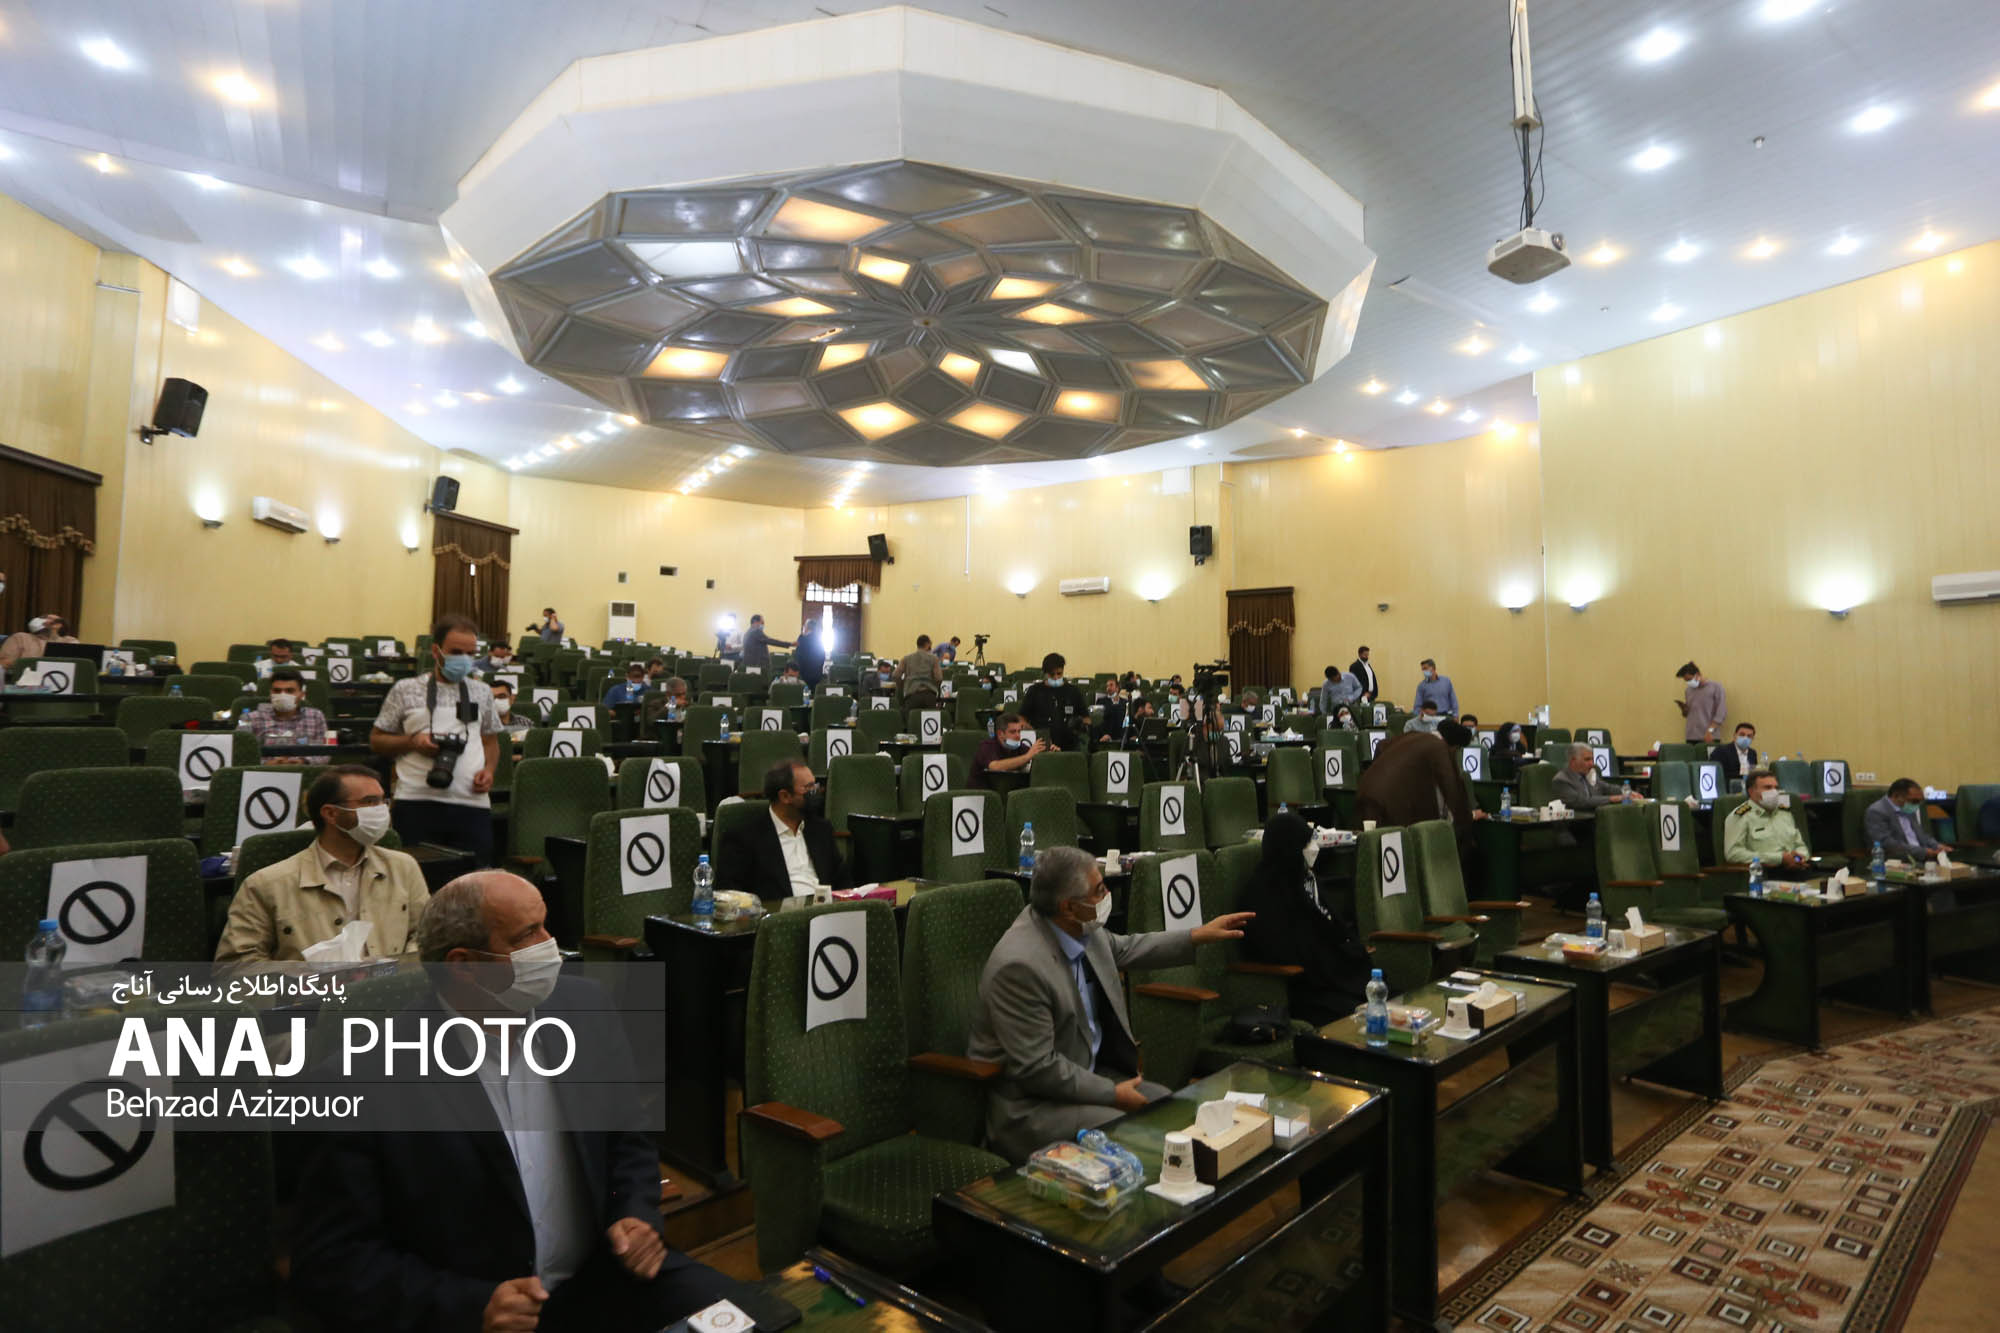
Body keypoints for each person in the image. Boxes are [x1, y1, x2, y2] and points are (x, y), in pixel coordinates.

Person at [290, 872, 741, 1332]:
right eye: (528, 936)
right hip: (483, 1311)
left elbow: (627, 1137)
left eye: (546, 925)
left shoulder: (585, 1009)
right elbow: (332, 1261)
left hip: (605, 1274)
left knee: (747, 1320)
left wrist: (632, 1211)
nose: (551, 947)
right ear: (464, 965)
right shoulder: (364, 1080)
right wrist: (468, 1307)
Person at [967, 846, 1254, 1163]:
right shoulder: (1020, 966)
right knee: (1132, 1134)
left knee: (1169, 1107)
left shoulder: (1080, 927)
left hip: (1091, 1076)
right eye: (1099, 890)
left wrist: (1197, 936)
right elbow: (1038, 1069)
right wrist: (1112, 1094)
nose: (1107, 896)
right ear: (1069, 906)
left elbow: (1127, 948)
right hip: (1034, 1106)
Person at [214, 765, 427, 967]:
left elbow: (425, 936)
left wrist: (399, 969)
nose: (381, 810)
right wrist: (305, 975)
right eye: (369, 802)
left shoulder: (404, 867)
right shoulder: (266, 884)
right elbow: (235, 965)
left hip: (395, 989)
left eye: (383, 801)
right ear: (331, 813)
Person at [371, 613, 503, 866]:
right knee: (416, 878)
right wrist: (413, 742)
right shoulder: (406, 689)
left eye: (470, 654)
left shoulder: (482, 691)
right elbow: (377, 741)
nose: (464, 660)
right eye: (456, 652)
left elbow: (490, 741)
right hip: (416, 803)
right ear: (435, 651)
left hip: (471, 803)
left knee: (474, 880)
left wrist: (489, 770)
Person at [1240, 812, 1368, 1024]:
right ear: (1289, 848)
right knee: (1361, 1013)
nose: (1313, 848)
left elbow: (1333, 927)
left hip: (1330, 978)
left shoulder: (1305, 880)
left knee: (1388, 996)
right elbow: (1283, 953)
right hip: (1300, 990)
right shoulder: (1261, 896)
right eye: (1306, 843)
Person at [718, 760, 851, 897]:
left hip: (825, 908)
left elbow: (843, 881)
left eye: (815, 785)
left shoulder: (822, 830)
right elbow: (731, 894)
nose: (816, 791)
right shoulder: (744, 838)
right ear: (785, 796)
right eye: (809, 787)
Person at [1722, 769, 1811, 875]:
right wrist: (1779, 858)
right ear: (1751, 792)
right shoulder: (1740, 816)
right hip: (1765, 873)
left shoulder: (1784, 813)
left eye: (1776, 788)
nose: (1774, 792)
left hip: (1797, 869)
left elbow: (1800, 845)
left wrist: (1799, 858)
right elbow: (1733, 854)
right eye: (1768, 788)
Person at [243, 667, 331, 762]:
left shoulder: (316, 716)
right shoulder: (249, 718)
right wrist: (265, 764)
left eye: (289, 691)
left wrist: (304, 761)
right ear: (270, 693)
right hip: (264, 770)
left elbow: (325, 752)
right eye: (277, 691)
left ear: (302, 695)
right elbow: (240, 752)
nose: (283, 695)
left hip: (304, 769)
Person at [1864, 779, 1949, 862]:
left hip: (1922, 856)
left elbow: (1921, 835)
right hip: (1898, 860)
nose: (1917, 804)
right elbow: (1887, 844)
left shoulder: (1907, 808)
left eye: (1920, 801)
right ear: (1896, 796)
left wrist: (1937, 846)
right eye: (1914, 801)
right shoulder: (1876, 811)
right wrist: (1924, 852)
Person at [1021, 653, 1088, 750]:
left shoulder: (1073, 691)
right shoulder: (1034, 691)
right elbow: (1022, 719)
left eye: (1059, 674)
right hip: (1041, 745)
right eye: (1052, 674)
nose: (1056, 677)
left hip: (1069, 745)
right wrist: (1035, 734)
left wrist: (1079, 728)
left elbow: (1086, 718)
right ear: (1045, 674)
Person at [973, 713, 1052, 787]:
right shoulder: (987, 746)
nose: (1018, 736)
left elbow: (1037, 756)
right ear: (1000, 734)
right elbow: (994, 767)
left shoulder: (1020, 747)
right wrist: (1027, 757)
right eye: (1013, 732)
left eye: (1019, 731)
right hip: (981, 793)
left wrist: (1051, 753)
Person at [1552, 742, 1626, 810]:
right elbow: (1580, 801)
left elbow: (1607, 788)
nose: (1592, 763)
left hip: (1598, 815)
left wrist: (1627, 792)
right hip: (1579, 818)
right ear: (1573, 761)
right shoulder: (1561, 780)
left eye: (1592, 759)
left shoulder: (1590, 774)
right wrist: (1611, 799)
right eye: (1587, 759)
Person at [0, 612, 76, 668]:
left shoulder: (70, 641)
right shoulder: (20, 637)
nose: (39, 620)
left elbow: (76, 665)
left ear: (58, 625)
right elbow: (3, 662)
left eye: (47, 618)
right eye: (41, 618)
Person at [1676, 661, 1726, 744]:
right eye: (1686, 681)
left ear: (1698, 674)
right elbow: (1689, 714)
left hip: (1710, 736)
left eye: (1689, 679)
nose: (1688, 682)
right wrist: (1684, 709)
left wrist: (1710, 731)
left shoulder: (1716, 687)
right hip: (1691, 736)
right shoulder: (1688, 690)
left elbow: (1721, 713)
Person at [896, 634, 942, 708]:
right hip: (929, 696)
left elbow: (896, 675)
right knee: (929, 715)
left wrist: (903, 685)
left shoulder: (906, 658)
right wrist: (934, 686)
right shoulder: (934, 659)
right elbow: (939, 678)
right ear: (927, 644)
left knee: (911, 715)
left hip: (912, 695)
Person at [794, 621, 826, 686]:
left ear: (806, 628)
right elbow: (822, 657)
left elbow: (798, 656)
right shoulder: (819, 640)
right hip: (817, 675)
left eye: (804, 626)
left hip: (804, 675)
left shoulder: (802, 638)